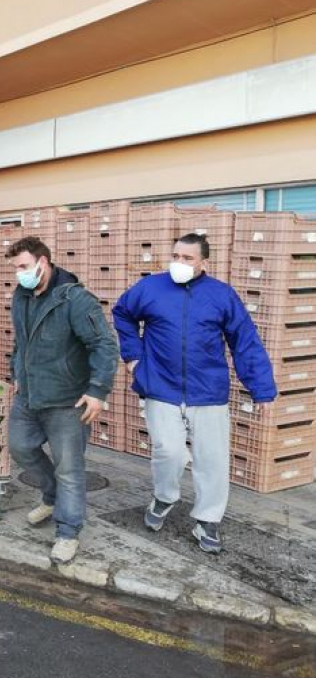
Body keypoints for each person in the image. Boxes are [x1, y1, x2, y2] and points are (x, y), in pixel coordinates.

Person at [112, 233, 275, 553]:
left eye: (187, 258)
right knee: (169, 451)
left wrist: (262, 389)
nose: (179, 263)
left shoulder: (221, 295)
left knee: (212, 460)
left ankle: (207, 520)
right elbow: (123, 314)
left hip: (208, 390)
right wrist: (133, 358)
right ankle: (164, 496)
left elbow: (245, 341)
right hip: (160, 386)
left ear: (204, 263)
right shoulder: (150, 288)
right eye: (175, 256)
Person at [6, 236, 118, 564]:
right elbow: (22, 342)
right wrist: (18, 375)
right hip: (29, 395)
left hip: (69, 400)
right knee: (20, 447)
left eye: (24, 266)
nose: (19, 274)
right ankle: (53, 497)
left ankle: (68, 531)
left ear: (44, 262)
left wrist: (97, 391)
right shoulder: (21, 296)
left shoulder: (75, 299)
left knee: (69, 467)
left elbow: (104, 345)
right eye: (16, 268)